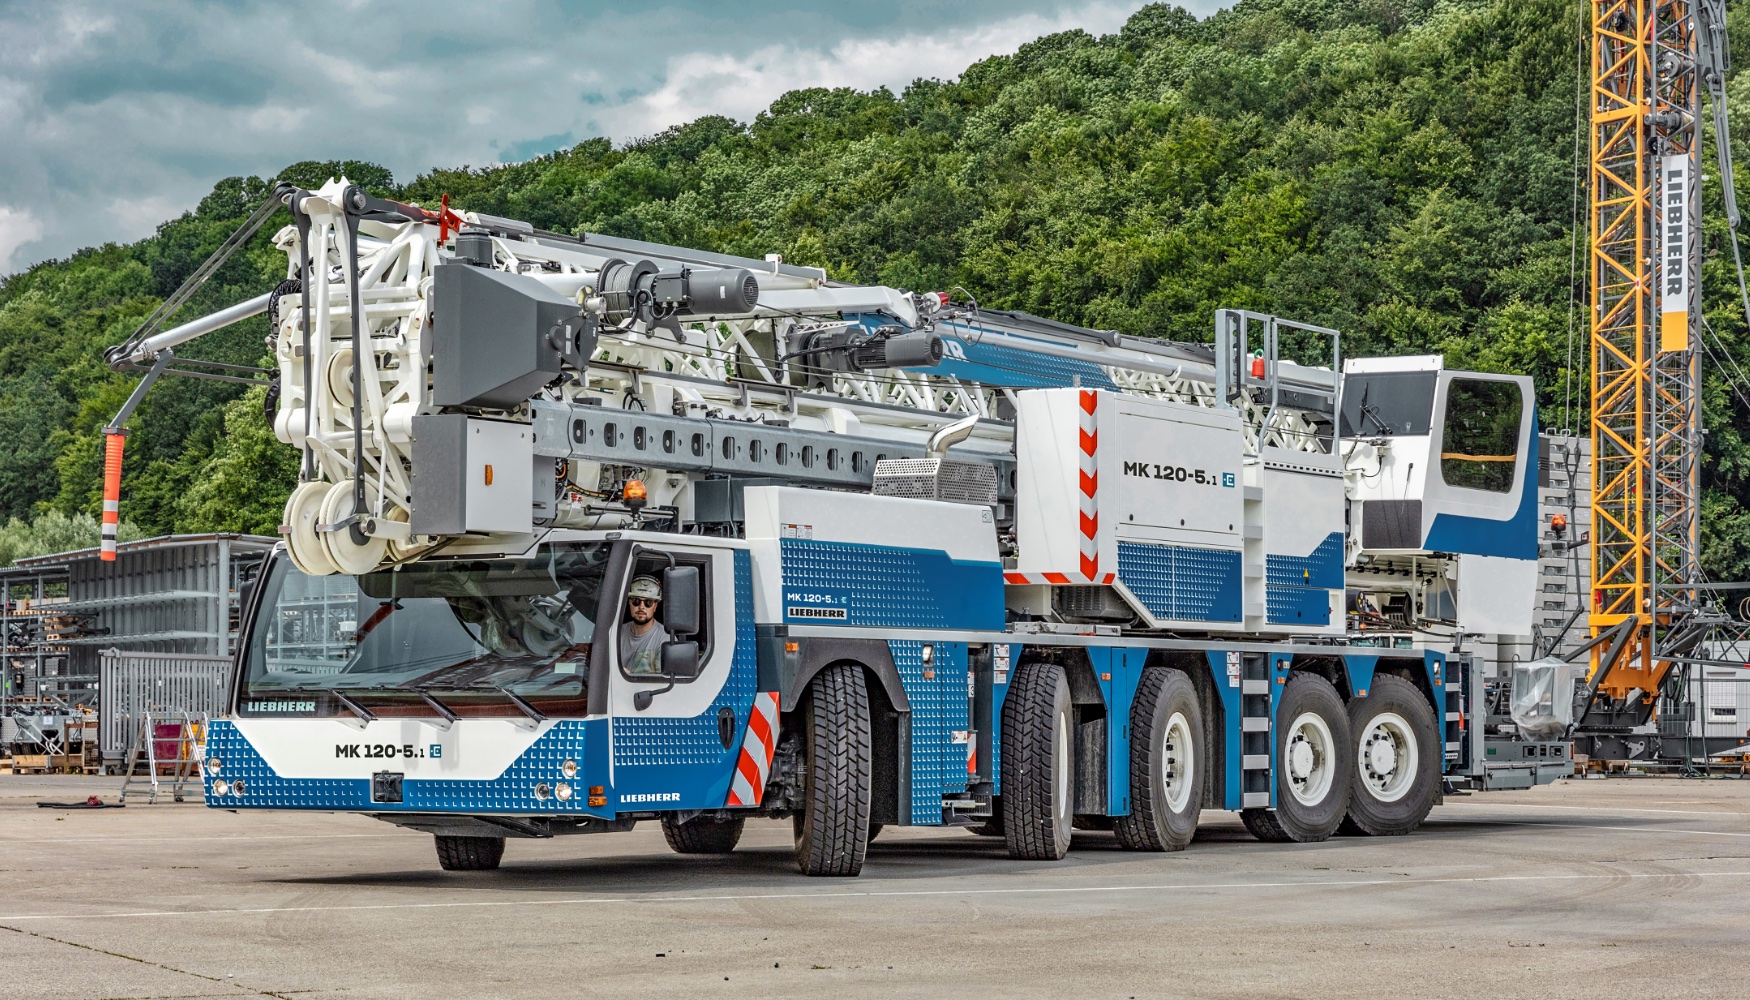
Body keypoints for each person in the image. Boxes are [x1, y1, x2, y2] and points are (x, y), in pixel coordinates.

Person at [618, 575, 671, 674]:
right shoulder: (616, 634)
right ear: (629, 602)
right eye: (636, 601)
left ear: (655, 606)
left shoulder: (665, 640)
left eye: (648, 602)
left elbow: (664, 683)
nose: (641, 607)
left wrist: (627, 676)